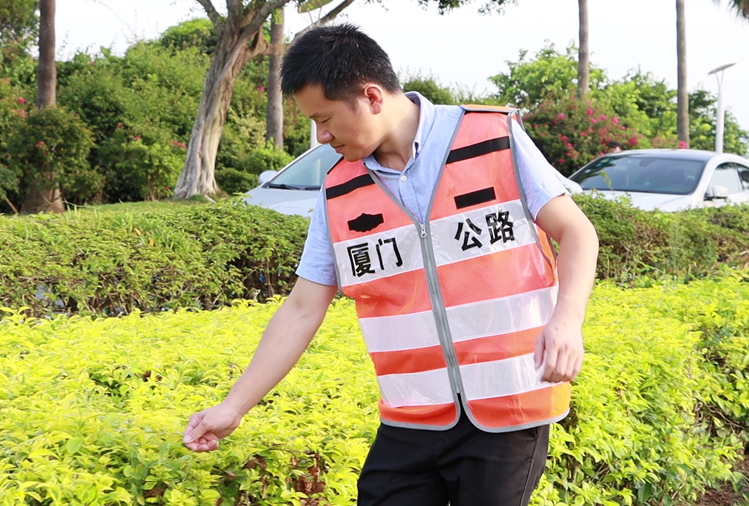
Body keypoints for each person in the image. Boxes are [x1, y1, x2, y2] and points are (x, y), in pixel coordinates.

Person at [183, 24, 599, 505]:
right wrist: (233, 407)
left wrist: (567, 320)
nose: (321, 137)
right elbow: (301, 308)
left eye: (326, 119)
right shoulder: (339, 189)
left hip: (507, 408)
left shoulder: (492, 137)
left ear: (372, 96)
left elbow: (576, 232)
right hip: (412, 416)